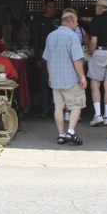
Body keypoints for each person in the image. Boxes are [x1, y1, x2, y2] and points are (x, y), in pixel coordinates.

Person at [42, 9, 88, 145]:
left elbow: (47, 59)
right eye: (76, 22)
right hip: (71, 79)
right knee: (77, 104)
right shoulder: (72, 37)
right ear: (71, 22)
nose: (77, 25)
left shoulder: (50, 36)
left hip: (55, 79)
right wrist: (83, 77)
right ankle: (71, 132)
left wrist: (50, 76)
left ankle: (61, 134)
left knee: (58, 107)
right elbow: (77, 60)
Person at [30, 0, 60, 118]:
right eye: (49, 6)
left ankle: (55, 108)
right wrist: (37, 57)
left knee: (56, 82)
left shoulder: (57, 20)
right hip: (43, 53)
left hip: (57, 54)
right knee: (44, 82)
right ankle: (45, 108)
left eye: (54, 6)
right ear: (44, 7)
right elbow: (36, 39)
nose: (52, 9)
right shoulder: (38, 20)